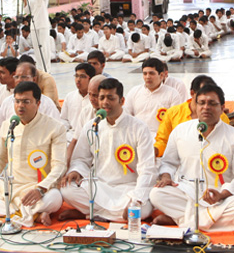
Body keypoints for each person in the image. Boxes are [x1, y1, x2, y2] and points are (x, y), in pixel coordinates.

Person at [149, 85, 234, 231]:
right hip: (187, 192)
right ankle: (204, 220)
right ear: (195, 106)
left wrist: (222, 194)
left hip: (221, 197)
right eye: (202, 103)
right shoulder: (180, 131)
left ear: (223, 107)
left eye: (212, 103)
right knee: (156, 194)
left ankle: (183, 220)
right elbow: (168, 163)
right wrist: (166, 176)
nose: (206, 107)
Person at [0, 81, 67, 226]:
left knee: (54, 198)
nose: (20, 106)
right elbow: (0, 156)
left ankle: (11, 212)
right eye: (17, 101)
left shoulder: (55, 128)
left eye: (26, 101)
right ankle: (30, 214)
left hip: (36, 187)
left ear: (38, 103)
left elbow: (59, 166)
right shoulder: (9, 125)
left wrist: (41, 189)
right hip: (9, 186)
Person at [59, 78, 157, 222]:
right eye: (102, 98)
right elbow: (81, 158)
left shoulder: (139, 128)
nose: (105, 102)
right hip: (100, 186)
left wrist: (136, 198)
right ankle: (108, 215)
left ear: (122, 101)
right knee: (67, 190)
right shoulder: (92, 126)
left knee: (142, 209)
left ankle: (89, 214)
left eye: (111, 98)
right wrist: (76, 171)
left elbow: (147, 168)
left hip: (129, 188)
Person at [124, 58, 182, 136]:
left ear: (161, 75)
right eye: (145, 74)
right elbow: (127, 116)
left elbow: (175, 122)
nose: (147, 77)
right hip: (137, 136)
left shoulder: (172, 94)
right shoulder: (134, 92)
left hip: (161, 139)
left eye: (151, 73)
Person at [21, 0, 53, 73]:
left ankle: (47, 69)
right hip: (34, 24)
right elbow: (27, 11)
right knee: (36, 47)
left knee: (44, 46)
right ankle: (39, 68)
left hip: (43, 23)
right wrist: (25, 1)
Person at [60, 63, 96, 141]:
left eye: (82, 76)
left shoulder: (96, 99)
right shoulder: (70, 96)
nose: (78, 79)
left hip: (91, 137)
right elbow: (64, 119)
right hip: (71, 136)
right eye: (76, 76)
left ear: (91, 79)